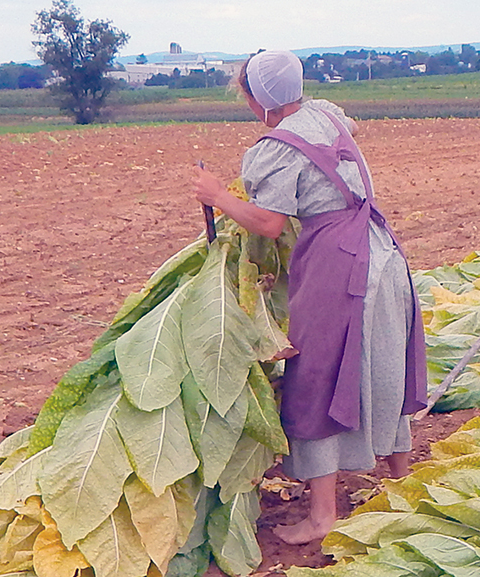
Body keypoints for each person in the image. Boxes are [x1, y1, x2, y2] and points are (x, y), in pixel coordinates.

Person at [190, 50, 427, 545]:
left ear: (257, 99)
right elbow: (351, 130)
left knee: (314, 374)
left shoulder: (273, 149)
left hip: (336, 261)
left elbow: (268, 223)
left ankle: (323, 516)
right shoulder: (326, 114)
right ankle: (402, 481)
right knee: (386, 361)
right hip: (381, 250)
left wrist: (218, 196)